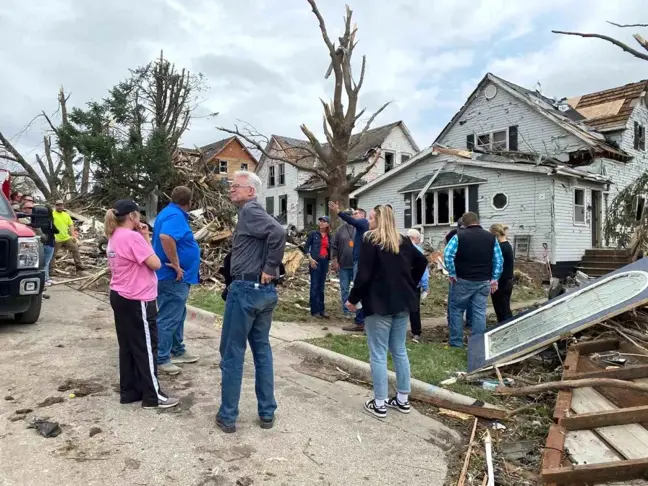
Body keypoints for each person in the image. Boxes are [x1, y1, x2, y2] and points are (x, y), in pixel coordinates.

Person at [216, 171, 286, 434]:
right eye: (231, 185)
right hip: (263, 292)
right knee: (262, 351)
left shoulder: (250, 211)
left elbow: (278, 232)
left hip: (246, 290)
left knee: (232, 353)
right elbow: (272, 235)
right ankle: (267, 412)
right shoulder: (252, 213)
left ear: (251, 192)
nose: (232, 189)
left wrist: (270, 266)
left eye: (237, 186)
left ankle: (228, 416)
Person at [346, 205, 428, 418]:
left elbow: (363, 274)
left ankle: (380, 402)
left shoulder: (370, 240)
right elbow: (422, 261)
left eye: (372, 218)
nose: (369, 221)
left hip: (379, 302)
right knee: (399, 350)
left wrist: (353, 299)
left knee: (378, 353)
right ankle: (402, 399)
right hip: (403, 302)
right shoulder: (403, 240)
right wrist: (411, 283)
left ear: (380, 220)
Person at [105, 200, 179, 409]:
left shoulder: (114, 236)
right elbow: (154, 263)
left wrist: (144, 236)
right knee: (147, 347)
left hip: (120, 295)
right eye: (138, 215)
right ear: (132, 216)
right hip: (138, 299)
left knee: (128, 346)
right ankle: (153, 396)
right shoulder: (131, 237)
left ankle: (130, 392)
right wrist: (145, 238)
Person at [152, 186, 201, 376]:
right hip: (172, 276)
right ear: (189, 203)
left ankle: (177, 349)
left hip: (175, 277)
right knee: (169, 316)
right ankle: (162, 358)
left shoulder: (168, 212)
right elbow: (166, 237)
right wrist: (176, 263)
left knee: (178, 313)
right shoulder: (175, 216)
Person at [444, 212, 503, 348]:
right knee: (479, 312)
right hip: (484, 281)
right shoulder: (491, 238)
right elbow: (499, 260)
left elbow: (448, 255)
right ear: (478, 221)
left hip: (462, 280)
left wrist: (452, 273)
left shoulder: (459, 236)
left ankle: (456, 342)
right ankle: (477, 344)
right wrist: (494, 279)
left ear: (464, 223)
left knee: (457, 310)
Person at [328, 201, 369, 332]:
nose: (354, 215)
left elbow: (351, 221)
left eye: (356, 213)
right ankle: (360, 318)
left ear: (363, 215)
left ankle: (359, 321)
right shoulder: (352, 229)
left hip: (359, 262)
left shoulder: (363, 223)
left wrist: (338, 211)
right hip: (350, 263)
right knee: (355, 290)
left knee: (357, 289)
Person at [444, 217, 472, 328]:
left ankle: (452, 322)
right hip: (472, 273)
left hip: (456, 272)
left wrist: (451, 271)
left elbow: (447, 252)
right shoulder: (474, 236)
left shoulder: (452, 234)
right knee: (471, 300)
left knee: (454, 301)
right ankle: (470, 322)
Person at [303, 216, 331, 319]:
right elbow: (305, 248)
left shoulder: (329, 236)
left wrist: (330, 261)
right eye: (320, 221)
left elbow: (330, 249)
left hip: (324, 261)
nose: (322, 223)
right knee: (314, 285)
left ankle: (321, 309)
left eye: (324, 222)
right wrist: (310, 258)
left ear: (328, 224)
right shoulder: (313, 234)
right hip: (315, 261)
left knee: (321, 286)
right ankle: (314, 310)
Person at [406, 229, 429, 343]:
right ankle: (416, 332)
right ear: (416, 238)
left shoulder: (400, 249)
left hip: (401, 283)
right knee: (414, 309)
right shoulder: (418, 251)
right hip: (414, 284)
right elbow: (424, 272)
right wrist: (425, 286)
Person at [331, 215, 356, 319]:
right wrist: (335, 260)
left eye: (351, 215)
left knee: (356, 289)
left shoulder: (358, 228)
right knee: (345, 289)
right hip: (344, 265)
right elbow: (333, 246)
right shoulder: (339, 230)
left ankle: (356, 310)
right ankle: (346, 310)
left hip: (356, 265)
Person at [490, 224, 514, 322]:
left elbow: (495, 263)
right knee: (504, 306)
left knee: (502, 308)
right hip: (507, 280)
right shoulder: (507, 245)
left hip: (502, 281)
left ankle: (506, 326)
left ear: (495, 234)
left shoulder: (500, 247)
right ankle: (505, 325)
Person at [51, 200, 84, 273]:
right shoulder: (52, 214)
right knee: (52, 254)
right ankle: (51, 269)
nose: (60, 207)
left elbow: (71, 225)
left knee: (75, 248)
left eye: (61, 205)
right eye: (58, 205)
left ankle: (79, 266)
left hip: (66, 237)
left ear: (63, 206)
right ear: (55, 206)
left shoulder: (66, 215)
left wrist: (74, 236)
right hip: (56, 238)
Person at [42, 207, 58, 286]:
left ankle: (47, 278)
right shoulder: (50, 221)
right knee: (46, 263)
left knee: (45, 263)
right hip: (49, 243)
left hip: (42, 243)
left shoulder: (39, 221)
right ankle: (45, 280)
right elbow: (56, 230)